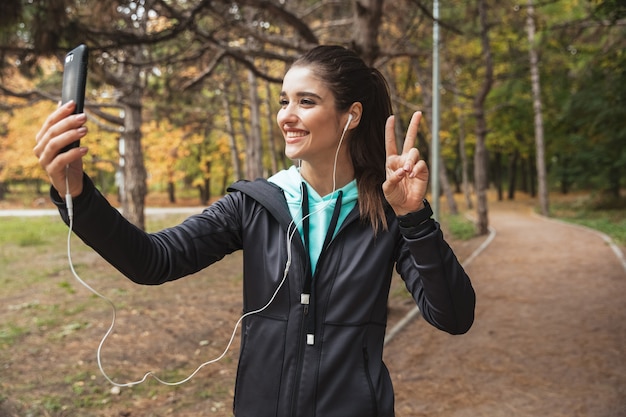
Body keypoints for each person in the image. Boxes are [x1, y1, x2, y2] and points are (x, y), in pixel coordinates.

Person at [34, 45, 475, 417]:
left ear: (351, 115)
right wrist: (77, 193)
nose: (287, 115)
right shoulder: (255, 203)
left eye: (306, 101)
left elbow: (453, 317)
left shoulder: (389, 209)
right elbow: (152, 260)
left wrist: (415, 219)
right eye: (284, 101)